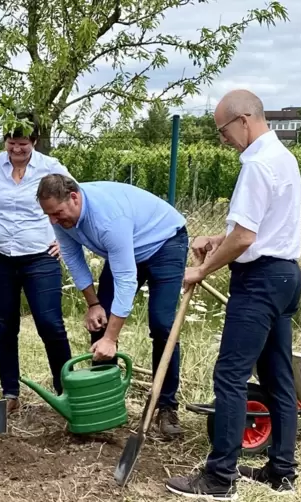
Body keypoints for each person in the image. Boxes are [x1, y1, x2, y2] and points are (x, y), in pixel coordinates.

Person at [165, 90, 301, 500]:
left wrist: (203, 268)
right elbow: (257, 227)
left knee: (229, 375)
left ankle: (218, 478)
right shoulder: (283, 158)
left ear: (243, 120)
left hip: (259, 282)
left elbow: (245, 237)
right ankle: (282, 471)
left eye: (222, 130)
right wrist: (215, 239)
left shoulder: (258, 165)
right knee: (278, 377)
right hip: (284, 276)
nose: (222, 138)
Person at [37, 174, 189, 437]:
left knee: (162, 324)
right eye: (48, 215)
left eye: (57, 213)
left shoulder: (107, 219)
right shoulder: (62, 218)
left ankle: (166, 406)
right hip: (126, 248)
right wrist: (93, 304)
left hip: (164, 242)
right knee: (100, 320)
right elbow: (73, 258)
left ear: (74, 197)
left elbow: (126, 280)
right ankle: (102, 402)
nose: (53, 221)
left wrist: (112, 338)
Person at [0, 118, 74, 413]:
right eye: (11, 143)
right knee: (4, 326)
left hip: (40, 256)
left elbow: (76, 199)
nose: (16, 149)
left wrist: (63, 240)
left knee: (50, 324)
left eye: (23, 145)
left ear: (34, 142)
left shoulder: (50, 167)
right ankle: (10, 392)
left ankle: (66, 389)